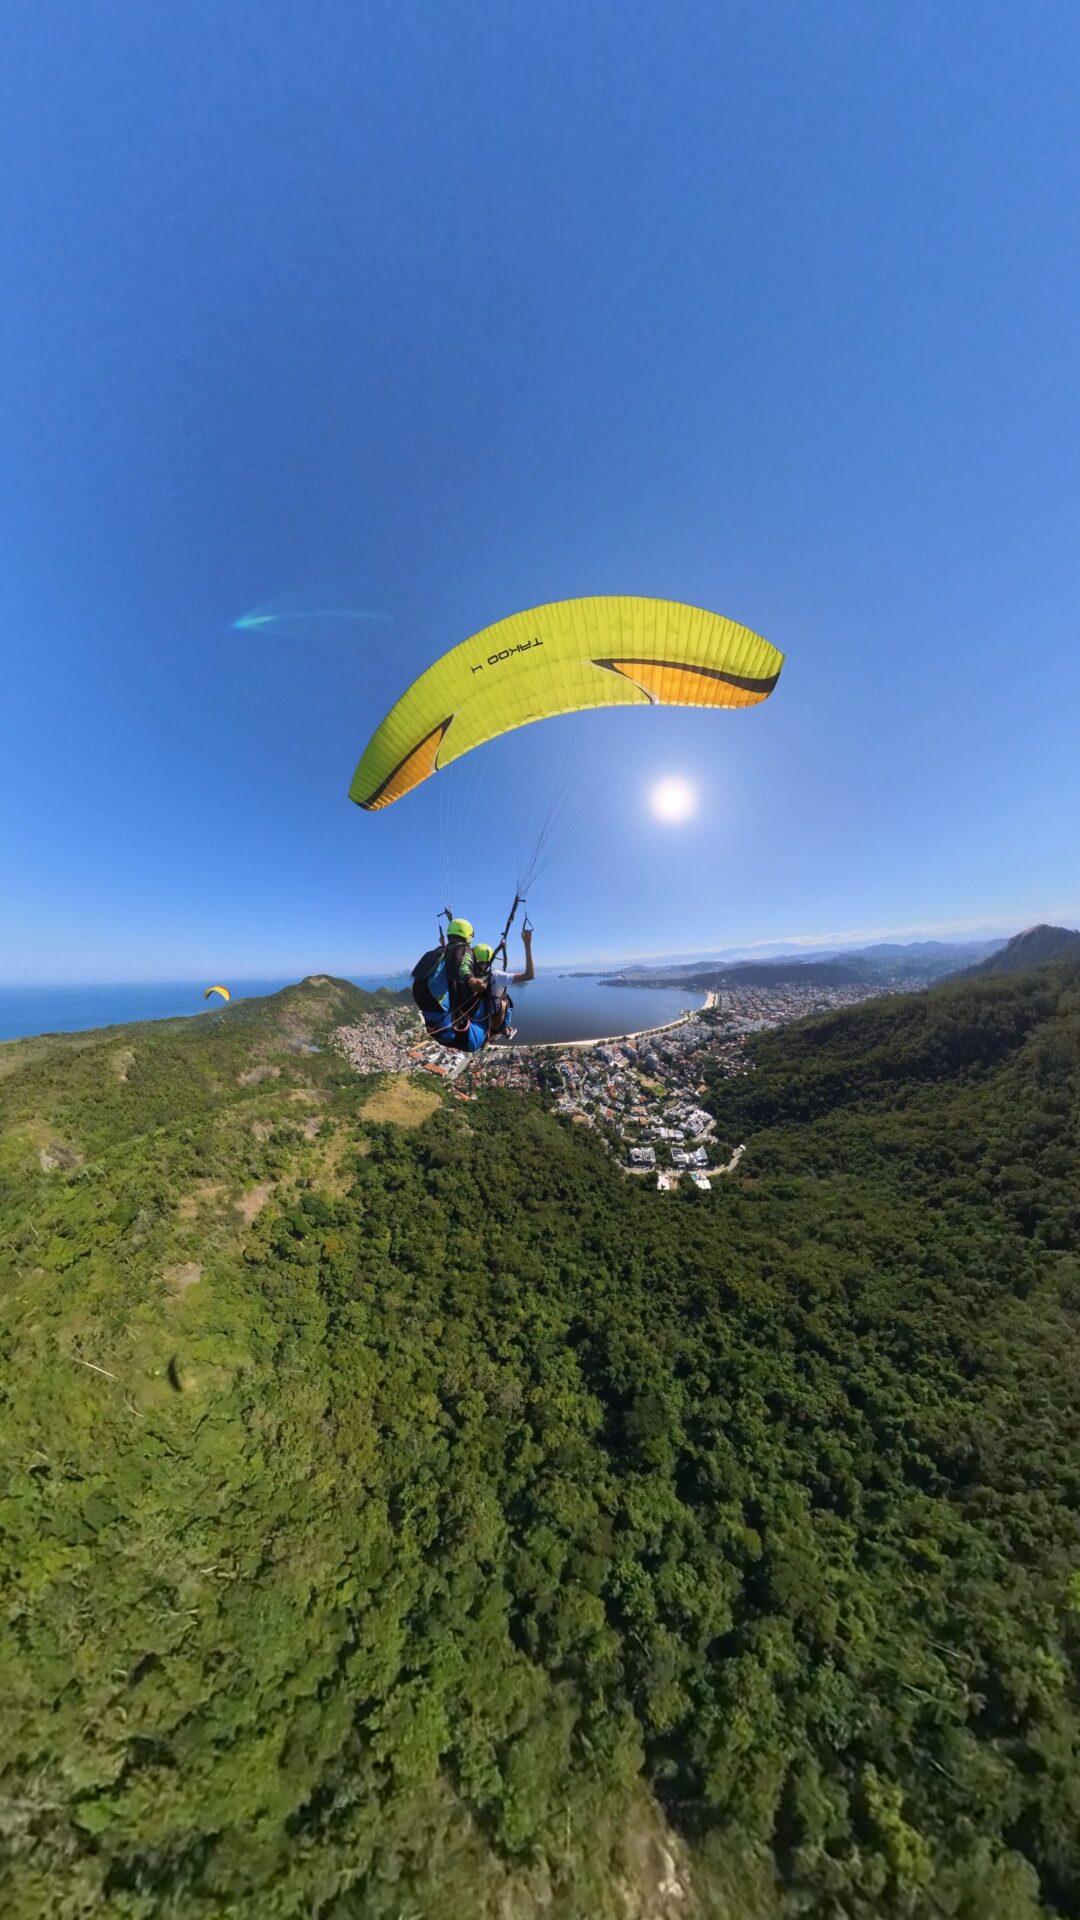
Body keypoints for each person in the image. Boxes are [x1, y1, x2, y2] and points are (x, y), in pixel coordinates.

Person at [412, 918, 488, 1051]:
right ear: (468, 934)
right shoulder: (465, 949)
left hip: (433, 1023)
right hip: (450, 1028)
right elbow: (463, 965)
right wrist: (472, 980)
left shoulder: (440, 951)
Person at [471, 923, 535, 1040]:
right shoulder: (497, 976)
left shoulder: (469, 977)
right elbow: (529, 975)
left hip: (477, 1019)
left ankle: (503, 1030)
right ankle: (505, 1029)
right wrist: (527, 944)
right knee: (507, 1001)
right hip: (496, 1020)